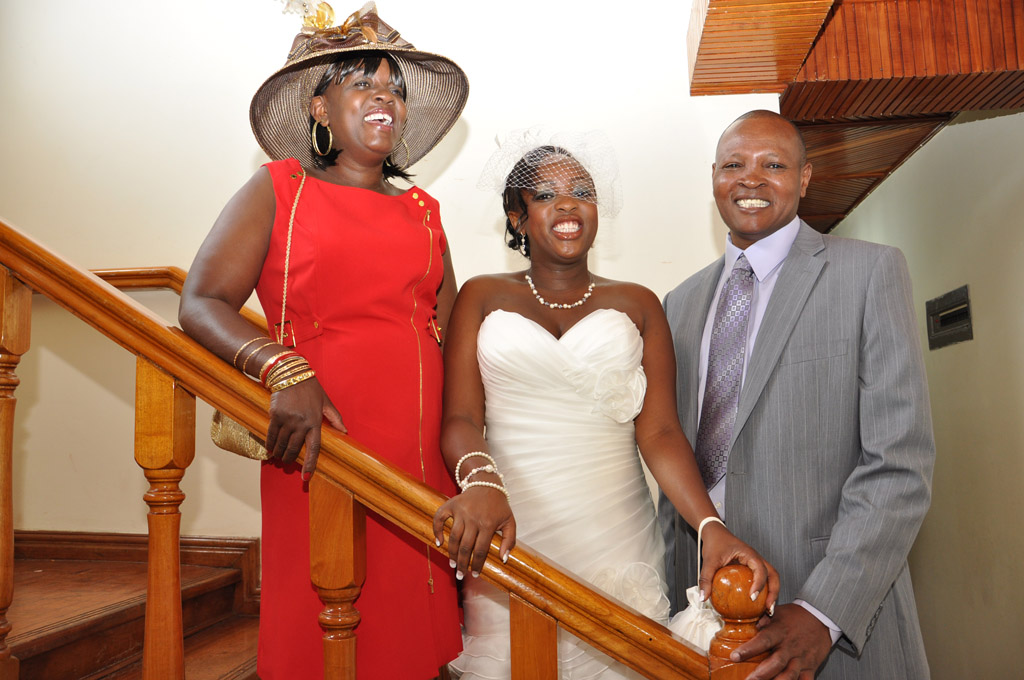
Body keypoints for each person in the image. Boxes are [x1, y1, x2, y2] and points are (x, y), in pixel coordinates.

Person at [177, 3, 469, 678]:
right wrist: (284, 370)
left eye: (394, 88)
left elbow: (449, 335)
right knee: (321, 616)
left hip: (416, 451)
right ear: (319, 108)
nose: (385, 97)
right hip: (317, 437)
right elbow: (201, 300)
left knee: (407, 635)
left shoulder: (424, 212)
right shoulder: (279, 189)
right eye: (363, 83)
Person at [430, 131, 779, 679]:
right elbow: (460, 418)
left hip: (618, 535)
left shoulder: (638, 303)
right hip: (510, 524)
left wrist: (709, 524)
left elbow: (660, 432)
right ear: (518, 217)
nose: (568, 204)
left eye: (582, 192)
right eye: (546, 194)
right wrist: (480, 482)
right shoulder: (481, 295)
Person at [658, 110, 935, 680]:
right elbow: (674, 454)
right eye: (734, 164)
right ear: (714, 177)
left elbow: (900, 463)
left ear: (805, 178)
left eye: (774, 165)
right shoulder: (679, 304)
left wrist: (821, 613)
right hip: (703, 610)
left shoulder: (869, 272)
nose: (750, 179)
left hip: (835, 613)